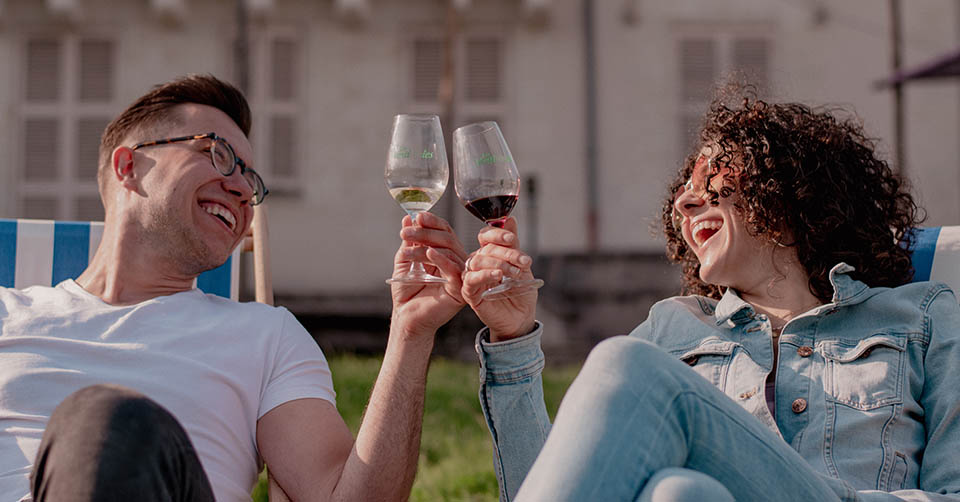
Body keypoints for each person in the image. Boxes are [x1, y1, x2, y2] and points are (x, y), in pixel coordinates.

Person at [461, 87, 960, 501]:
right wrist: (513, 338)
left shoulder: (920, 316)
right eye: (684, 189)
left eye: (711, 177)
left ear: (786, 190)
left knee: (622, 363)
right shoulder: (674, 327)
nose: (683, 200)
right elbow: (554, 484)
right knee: (680, 493)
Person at [0, 74, 469, 502]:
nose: (243, 189)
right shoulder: (7, 315)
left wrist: (410, 336)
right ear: (129, 167)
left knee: (109, 423)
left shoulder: (266, 337)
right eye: (218, 154)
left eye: (250, 177)